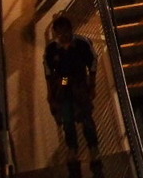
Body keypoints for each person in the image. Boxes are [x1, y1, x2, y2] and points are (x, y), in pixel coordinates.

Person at [44, 14, 102, 173]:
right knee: (67, 119)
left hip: (79, 82)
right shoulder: (51, 49)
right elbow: (48, 72)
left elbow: (93, 62)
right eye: (59, 33)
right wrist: (51, 94)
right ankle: (72, 149)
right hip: (63, 83)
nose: (63, 36)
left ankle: (93, 148)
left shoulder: (82, 44)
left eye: (65, 32)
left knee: (86, 117)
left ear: (71, 30)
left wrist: (92, 84)